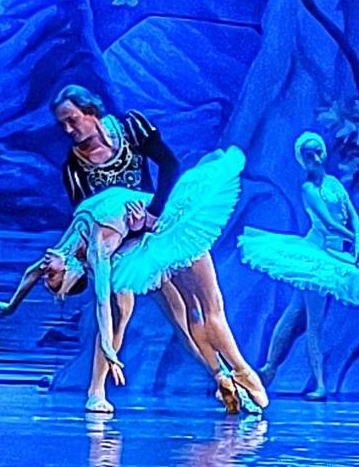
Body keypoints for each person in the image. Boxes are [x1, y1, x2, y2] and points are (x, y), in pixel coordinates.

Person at [47, 86, 269, 413]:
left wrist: (152, 214)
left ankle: (229, 377)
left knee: (196, 309)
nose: (68, 129)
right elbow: (90, 219)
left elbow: (168, 164)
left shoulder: (131, 129)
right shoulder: (75, 168)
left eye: (72, 120)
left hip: (161, 226)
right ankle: (97, 389)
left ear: (90, 112)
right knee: (128, 312)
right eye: (62, 124)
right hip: (127, 249)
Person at [0, 146, 247, 413]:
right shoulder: (97, 249)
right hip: (130, 257)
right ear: (70, 270)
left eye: (47, 274)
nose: (46, 266)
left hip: (151, 240)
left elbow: (30, 273)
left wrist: (11, 305)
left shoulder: (64, 248)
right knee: (120, 315)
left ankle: (222, 377)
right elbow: (101, 301)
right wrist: (107, 346)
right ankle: (96, 391)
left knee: (182, 320)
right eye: (51, 275)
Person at [239, 131, 359, 399]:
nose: (316, 158)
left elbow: (352, 216)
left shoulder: (334, 183)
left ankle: (269, 367)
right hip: (317, 254)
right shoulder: (308, 189)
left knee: (293, 313)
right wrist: (354, 239)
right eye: (309, 155)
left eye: (318, 152)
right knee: (314, 323)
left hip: (336, 253)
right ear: (303, 160)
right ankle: (319, 383)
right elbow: (329, 224)